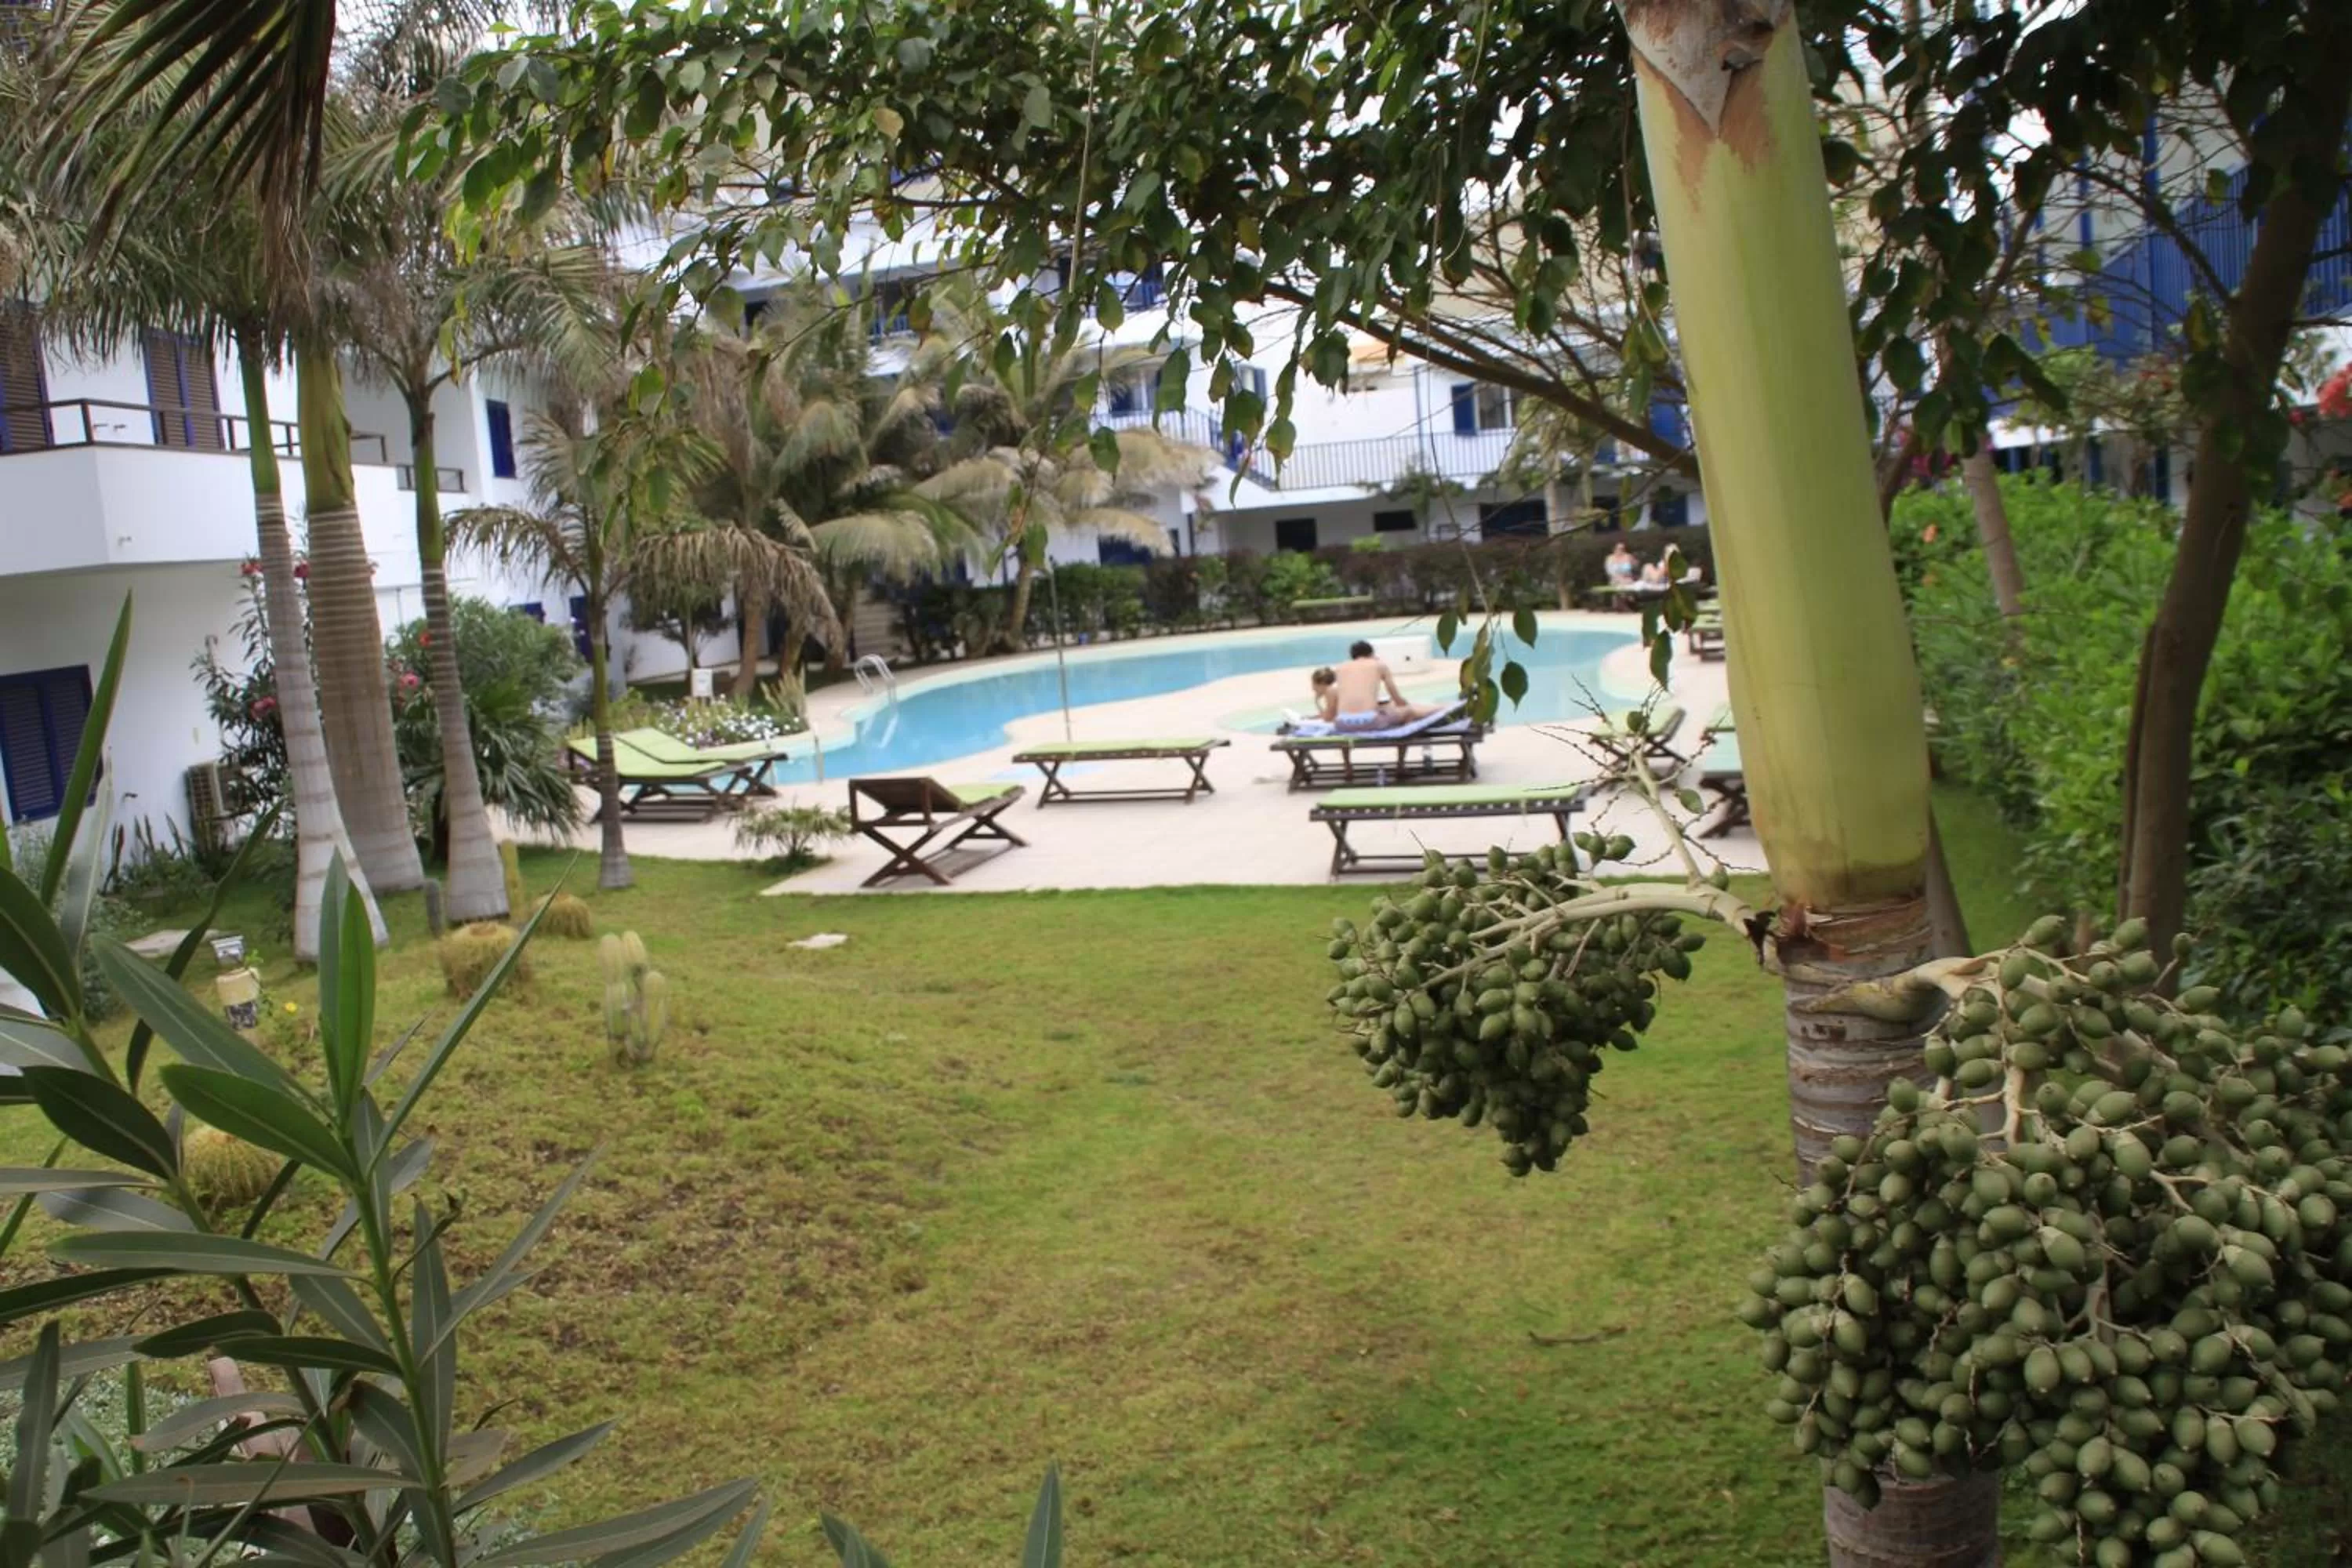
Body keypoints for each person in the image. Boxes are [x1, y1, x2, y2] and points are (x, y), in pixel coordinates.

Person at [1330, 640, 1442, 730]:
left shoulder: (1340, 668)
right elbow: (1396, 697)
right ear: (1371, 654)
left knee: (1385, 707)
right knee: (1409, 712)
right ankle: (1402, 748)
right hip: (1369, 721)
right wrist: (1404, 705)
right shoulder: (1378, 665)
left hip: (1341, 723)